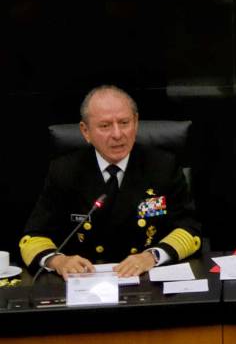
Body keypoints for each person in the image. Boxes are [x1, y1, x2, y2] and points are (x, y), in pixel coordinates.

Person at [20, 85, 200, 278]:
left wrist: (152, 256)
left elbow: (189, 229)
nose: (117, 134)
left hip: (146, 278)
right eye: (105, 126)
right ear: (85, 131)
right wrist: (59, 261)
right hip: (85, 280)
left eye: (124, 123)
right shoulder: (64, 171)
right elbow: (33, 237)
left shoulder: (162, 166)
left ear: (136, 123)